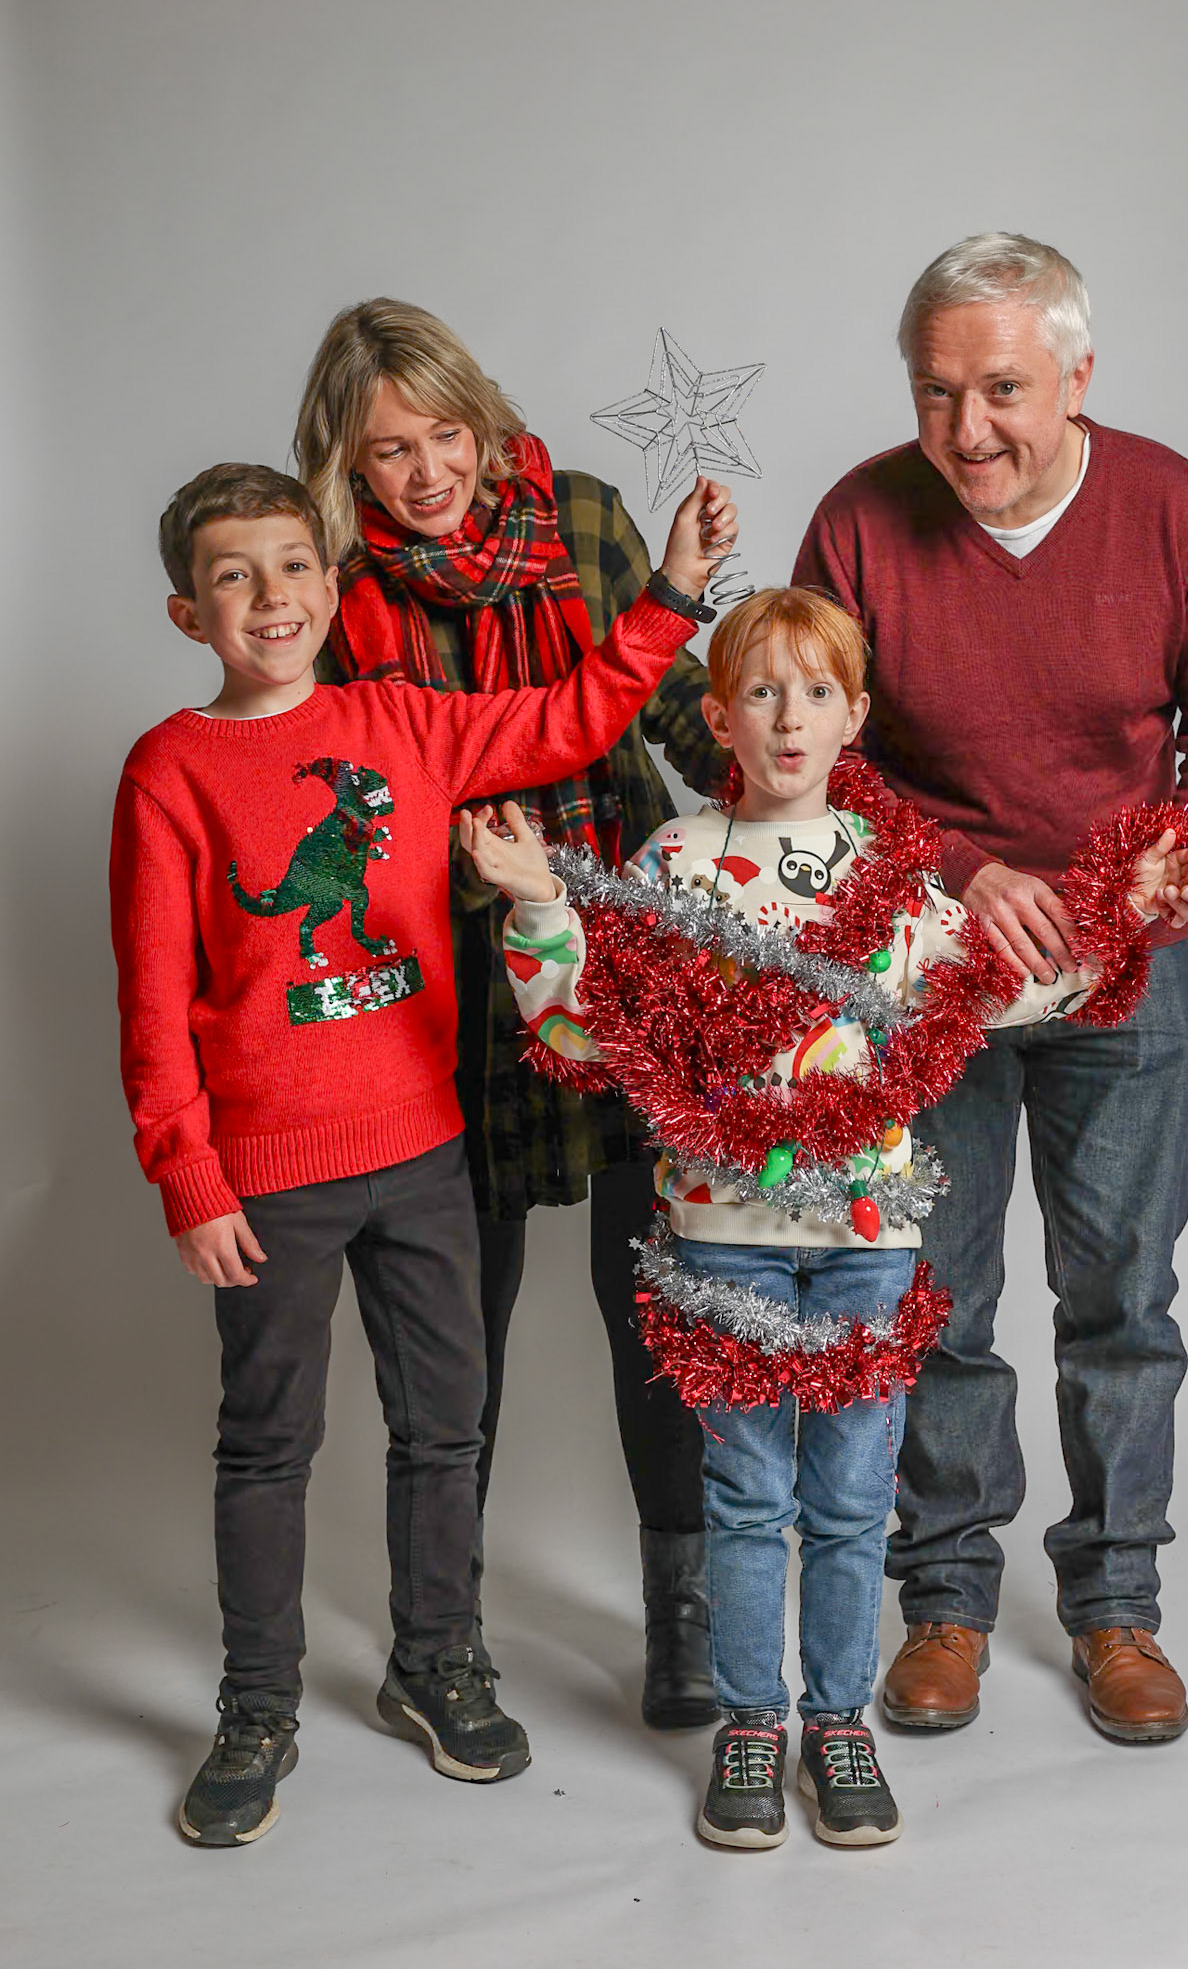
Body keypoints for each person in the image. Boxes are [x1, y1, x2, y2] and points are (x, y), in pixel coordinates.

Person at [463, 586, 1188, 1848]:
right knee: (748, 1497)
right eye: (761, 691)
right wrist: (541, 902)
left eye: (815, 692)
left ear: (855, 717)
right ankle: (753, 1722)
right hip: (722, 1238)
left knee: (856, 1502)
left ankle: (839, 1721)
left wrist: (1120, 910)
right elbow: (592, 1030)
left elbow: (1002, 991)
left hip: (867, 1244)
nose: (788, 716)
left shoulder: (894, 877)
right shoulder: (675, 865)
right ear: (719, 717)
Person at [110, 460, 724, 1846]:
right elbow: (152, 999)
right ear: (188, 613)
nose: (270, 596)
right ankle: (256, 1704)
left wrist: (675, 592)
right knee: (266, 1443)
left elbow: (572, 715)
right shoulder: (170, 770)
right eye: (232, 576)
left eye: (292, 566)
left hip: (425, 1151)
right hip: (269, 1173)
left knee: (446, 1425)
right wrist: (187, 1173)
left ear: (333, 587)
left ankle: (436, 1661)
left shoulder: (398, 721)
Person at [793, 232, 1188, 1743]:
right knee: (934, 1295)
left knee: (1120, 1297)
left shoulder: (1170, 504)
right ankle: (944, 1598)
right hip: (930, 967)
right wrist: (957, 870)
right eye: (936, 393)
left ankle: (1117, 1608)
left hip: (1122, 968)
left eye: (1001, 389)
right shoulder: (859, 519)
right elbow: (819, 753)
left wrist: (1181, 848)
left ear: (1076, 376)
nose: (968, 429)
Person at [293, 302, 732, 1727]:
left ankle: (683, 1610)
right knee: (451, 1330)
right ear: (348, 466)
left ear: (482, 423)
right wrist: (459, 864)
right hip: (457, 993)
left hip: (626, 960)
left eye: (445, 435)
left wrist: (798, 791)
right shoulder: (337, 588)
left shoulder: (586, 521)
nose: (428, 472)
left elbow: (670, 704)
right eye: (390, 452)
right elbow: (346, 802)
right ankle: (444, 1633)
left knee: (657, 1299)